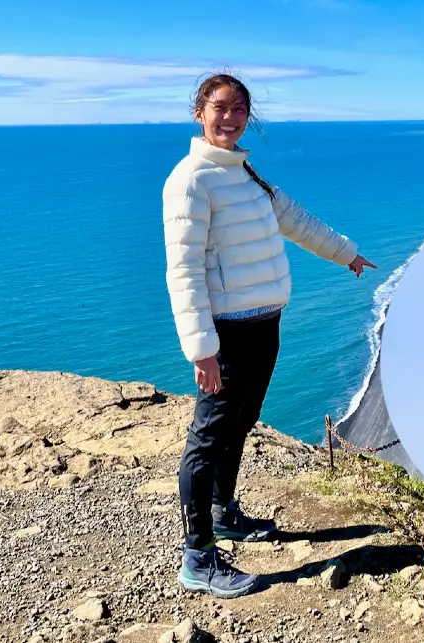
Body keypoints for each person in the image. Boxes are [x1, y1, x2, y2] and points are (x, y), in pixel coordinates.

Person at [162, 73, 377, 599]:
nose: (231, 117)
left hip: (265, 323)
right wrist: (202, 349)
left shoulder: (243, 173)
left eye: (240, 109)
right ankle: (197, 557)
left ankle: (223, 512)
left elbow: (293, 219)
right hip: (227, 334)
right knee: (207, 438)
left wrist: (344, 252)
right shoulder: (190, 180)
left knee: (242, 420)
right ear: (199, 113)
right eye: (220, 107)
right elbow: (183, 270)